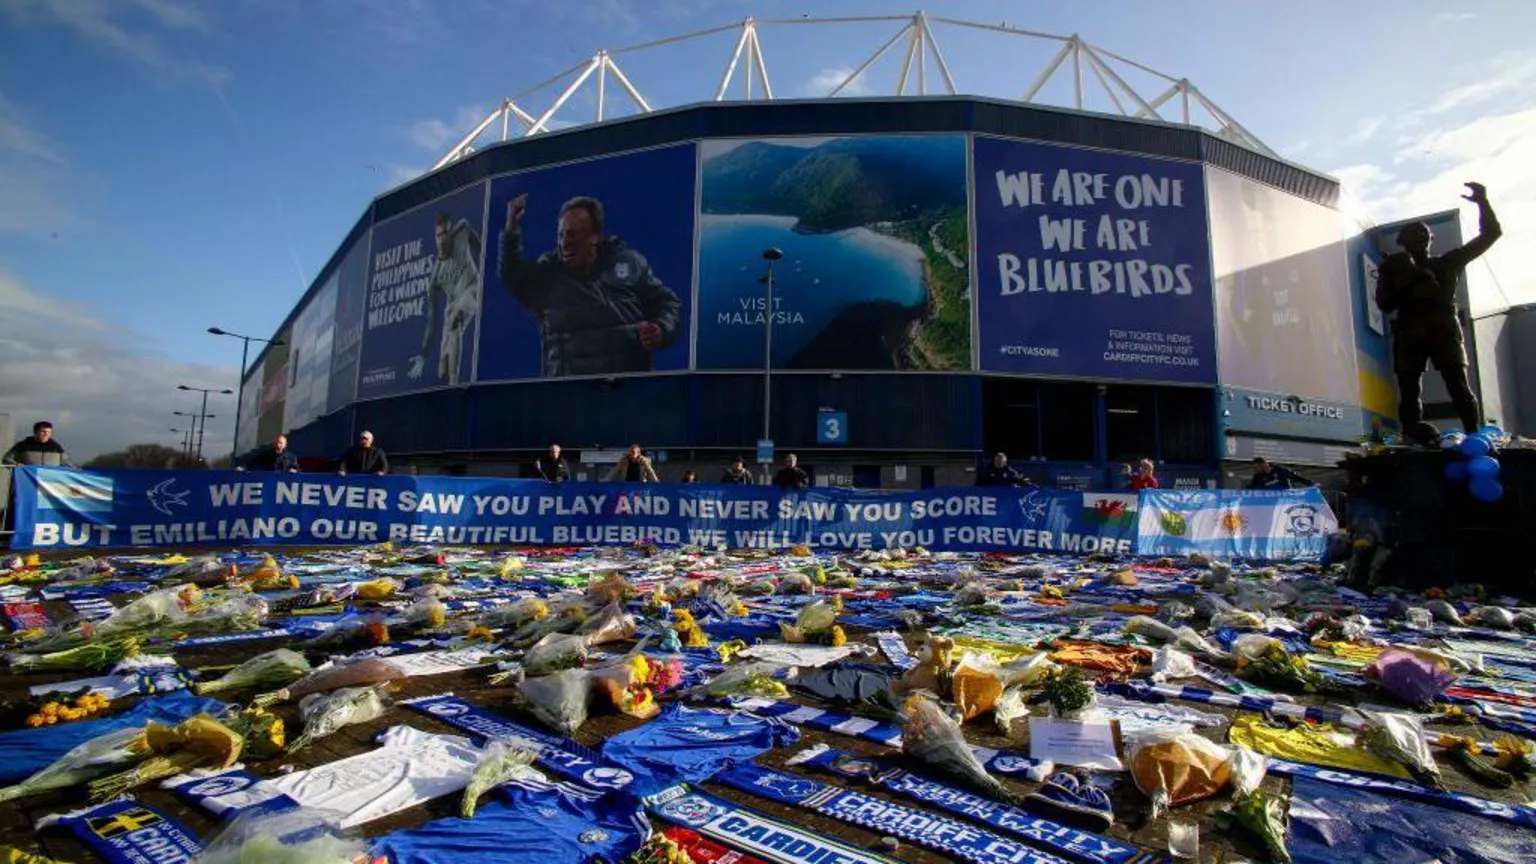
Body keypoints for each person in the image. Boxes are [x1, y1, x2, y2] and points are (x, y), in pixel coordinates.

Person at [499, 193, 682, 377]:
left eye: (572, 234)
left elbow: (668, 304)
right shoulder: (548, 274)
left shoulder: (629, 262)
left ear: (595, 236)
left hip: (628, 395)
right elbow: (511, 275)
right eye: (561, 235)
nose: (564, 243)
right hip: (568, 398)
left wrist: (661, 329)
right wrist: (511, 229)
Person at [1377, 182, 1501, 441]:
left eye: (1423, 233)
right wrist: (1410, 281)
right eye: (1413, 234)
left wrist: (1482, 202)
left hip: (1444, 330)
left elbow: (1490, 234)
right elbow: (1384, 304)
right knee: (1409, 389)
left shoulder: (1447, 263)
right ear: (1403, 242)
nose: (1419, 236)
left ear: (1431, 239)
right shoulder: (1393, 268)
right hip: (1410, 333)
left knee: (1458, 386)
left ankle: (1475, 437)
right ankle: (1411, 434)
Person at [412, 212, 482, 387]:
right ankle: (445, 386)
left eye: (445, 234)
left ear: (451, 234)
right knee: (442, 369)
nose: (442, 240)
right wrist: (422, 354)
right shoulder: (435, 276)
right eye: (438, 236)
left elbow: (482, 247)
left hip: (474, 288)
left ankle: (454, 385)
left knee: (454, 320)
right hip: (451, 306)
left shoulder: (462, 231)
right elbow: (431, 319)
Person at [2, 421, 73, 467]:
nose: (46, 434)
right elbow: (6, 459)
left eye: (49, 432)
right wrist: (17, 465)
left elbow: (67, 463)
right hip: (28, 483)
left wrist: (79, 471)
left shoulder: (56, 447)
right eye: (43, 431)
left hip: (49, 485)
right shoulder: (22, 445)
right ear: (35, 432)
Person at [1246, 457, 1312, 491]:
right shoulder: (1257, 477)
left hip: (1286, 500)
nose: (1255, 470)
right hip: (1271, 502)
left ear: (1263, 464)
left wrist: (1311, 483)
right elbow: (1251, 488)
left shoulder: (1280, 469)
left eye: (1256, 467)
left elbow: (1296, 477)